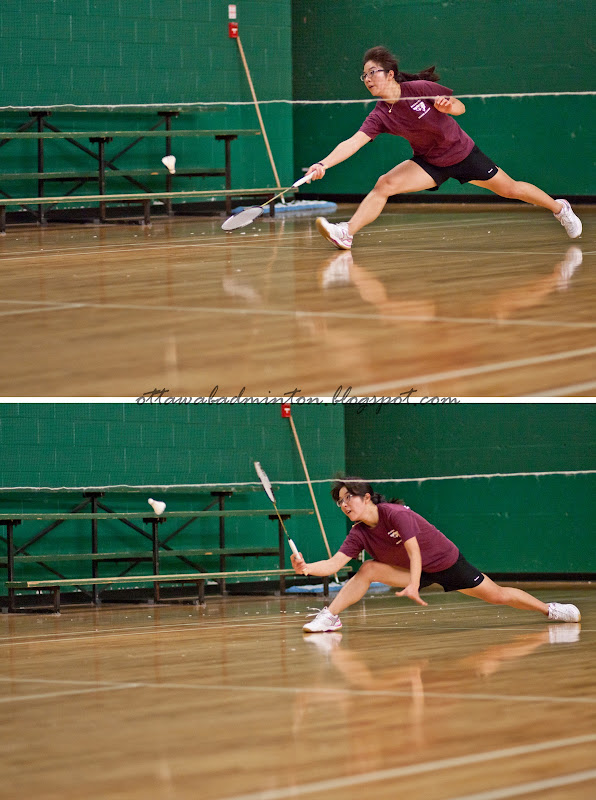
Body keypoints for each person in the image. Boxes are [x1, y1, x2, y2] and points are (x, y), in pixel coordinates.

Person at [304, 46, 582, 250]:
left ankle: (559, 208)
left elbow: (460, 107)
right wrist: (323, 164)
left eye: (372, 73)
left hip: (462, 154)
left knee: (511, 189)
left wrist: (449, 107)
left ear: (390, 74)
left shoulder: (419, 88)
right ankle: (347, 232)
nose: (367, 79)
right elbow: (354, 142)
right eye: (364, 76)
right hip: (429, 162)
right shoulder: (379, 115)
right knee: (384, 184)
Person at [290, 477, 581, 632]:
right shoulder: (359, 533)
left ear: (366, 497)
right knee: (367, 570)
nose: (344, 505)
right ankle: (331, 617)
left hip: (446, 563)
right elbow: (334, 564)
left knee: (498, 595)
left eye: (348, 498)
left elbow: (413, 550)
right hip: (412, 572)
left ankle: (551, 610)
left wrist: (414, 584)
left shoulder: (396, 514)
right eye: (339, 502)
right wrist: (306, 567)